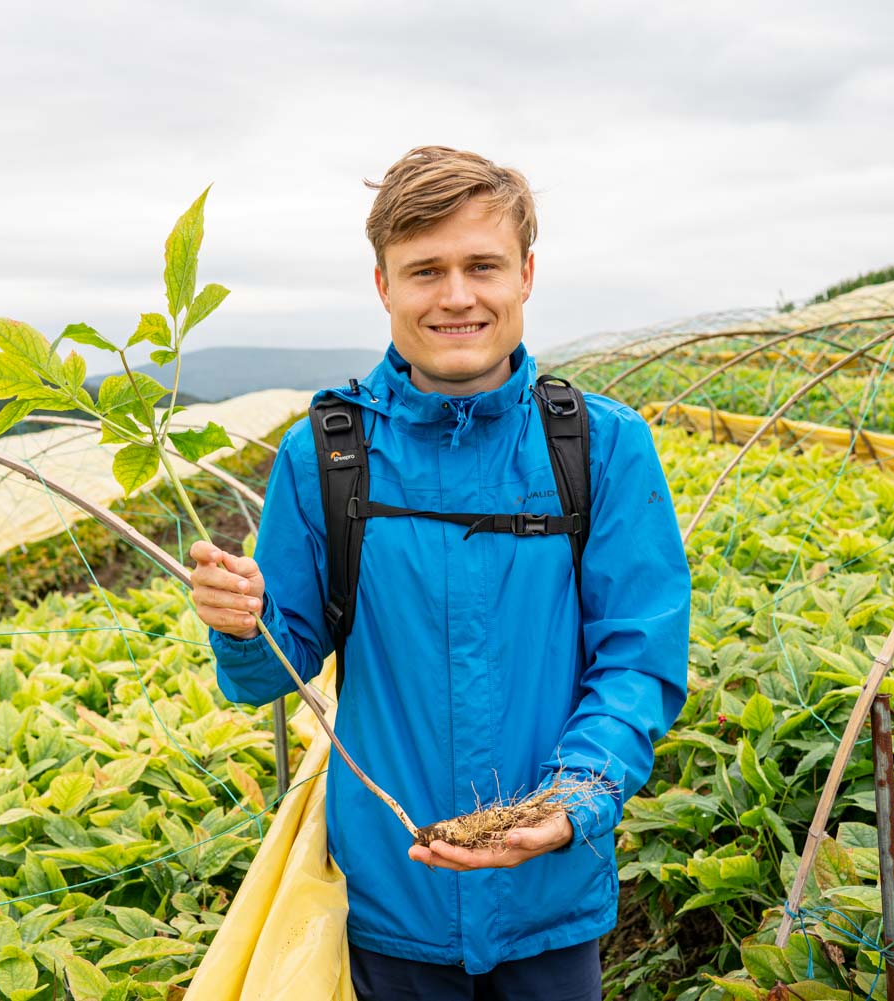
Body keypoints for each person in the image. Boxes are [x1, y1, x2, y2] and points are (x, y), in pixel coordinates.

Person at [189, 146, 690, 1001]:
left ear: (526, 274)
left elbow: (637, 661)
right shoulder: (325, 455)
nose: (456, 295)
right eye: (425, 270)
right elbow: (272, 669)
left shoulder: (601, 446)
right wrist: (242, 623)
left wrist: (573, 802)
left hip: (552, 895)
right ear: (384, 285)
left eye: (481, 265)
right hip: (391, 896)